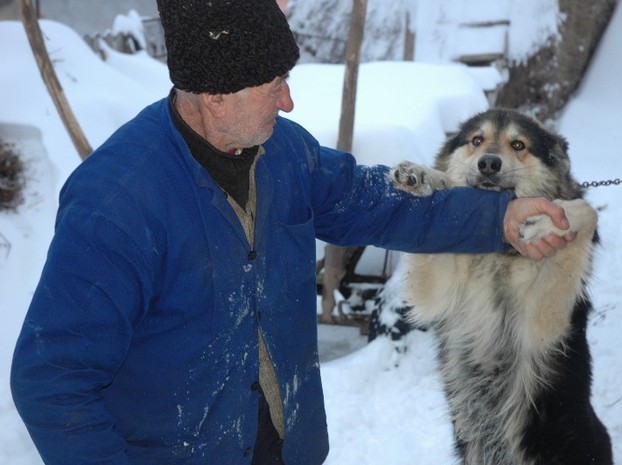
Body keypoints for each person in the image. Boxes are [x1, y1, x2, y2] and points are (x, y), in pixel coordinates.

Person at [10, 1, 574, 464]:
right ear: (215, 94)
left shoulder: (284, 152)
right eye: (275, 84)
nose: (289, 100)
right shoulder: (116, 205)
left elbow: (375, 202)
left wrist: (496, 219)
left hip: (285, 449)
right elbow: (53, 379)